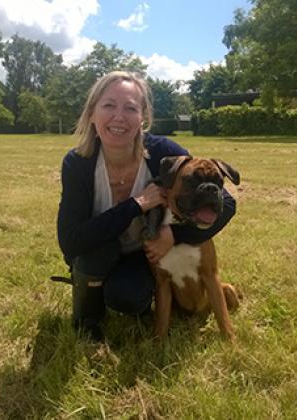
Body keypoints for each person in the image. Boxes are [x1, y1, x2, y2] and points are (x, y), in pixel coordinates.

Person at [56, 71, 236, 341]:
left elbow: (228, 203)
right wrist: (136, 204)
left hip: (143, 255)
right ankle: (88, 315)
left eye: (130, 108)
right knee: (96, 254)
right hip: (100, 251)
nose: (119, 116)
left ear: (143, 118)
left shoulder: (163, 152)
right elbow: (70, 241)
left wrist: (173, 236)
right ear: (92, 113)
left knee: (128, 297)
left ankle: (126, 296)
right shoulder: (78, 163)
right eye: (108, 105)